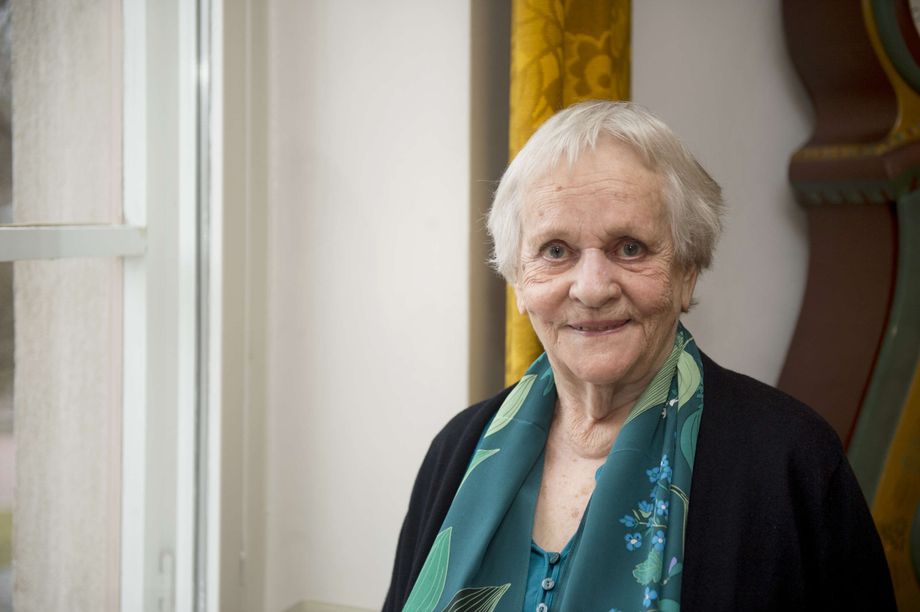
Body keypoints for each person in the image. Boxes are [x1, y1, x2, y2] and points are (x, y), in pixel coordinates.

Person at [383, 100, 894, 611]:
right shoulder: (456, 452)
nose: (592, 288)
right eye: (556, 250)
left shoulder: (790, 461)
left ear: (687, 272)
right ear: (518, 279)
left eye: (629, 248)